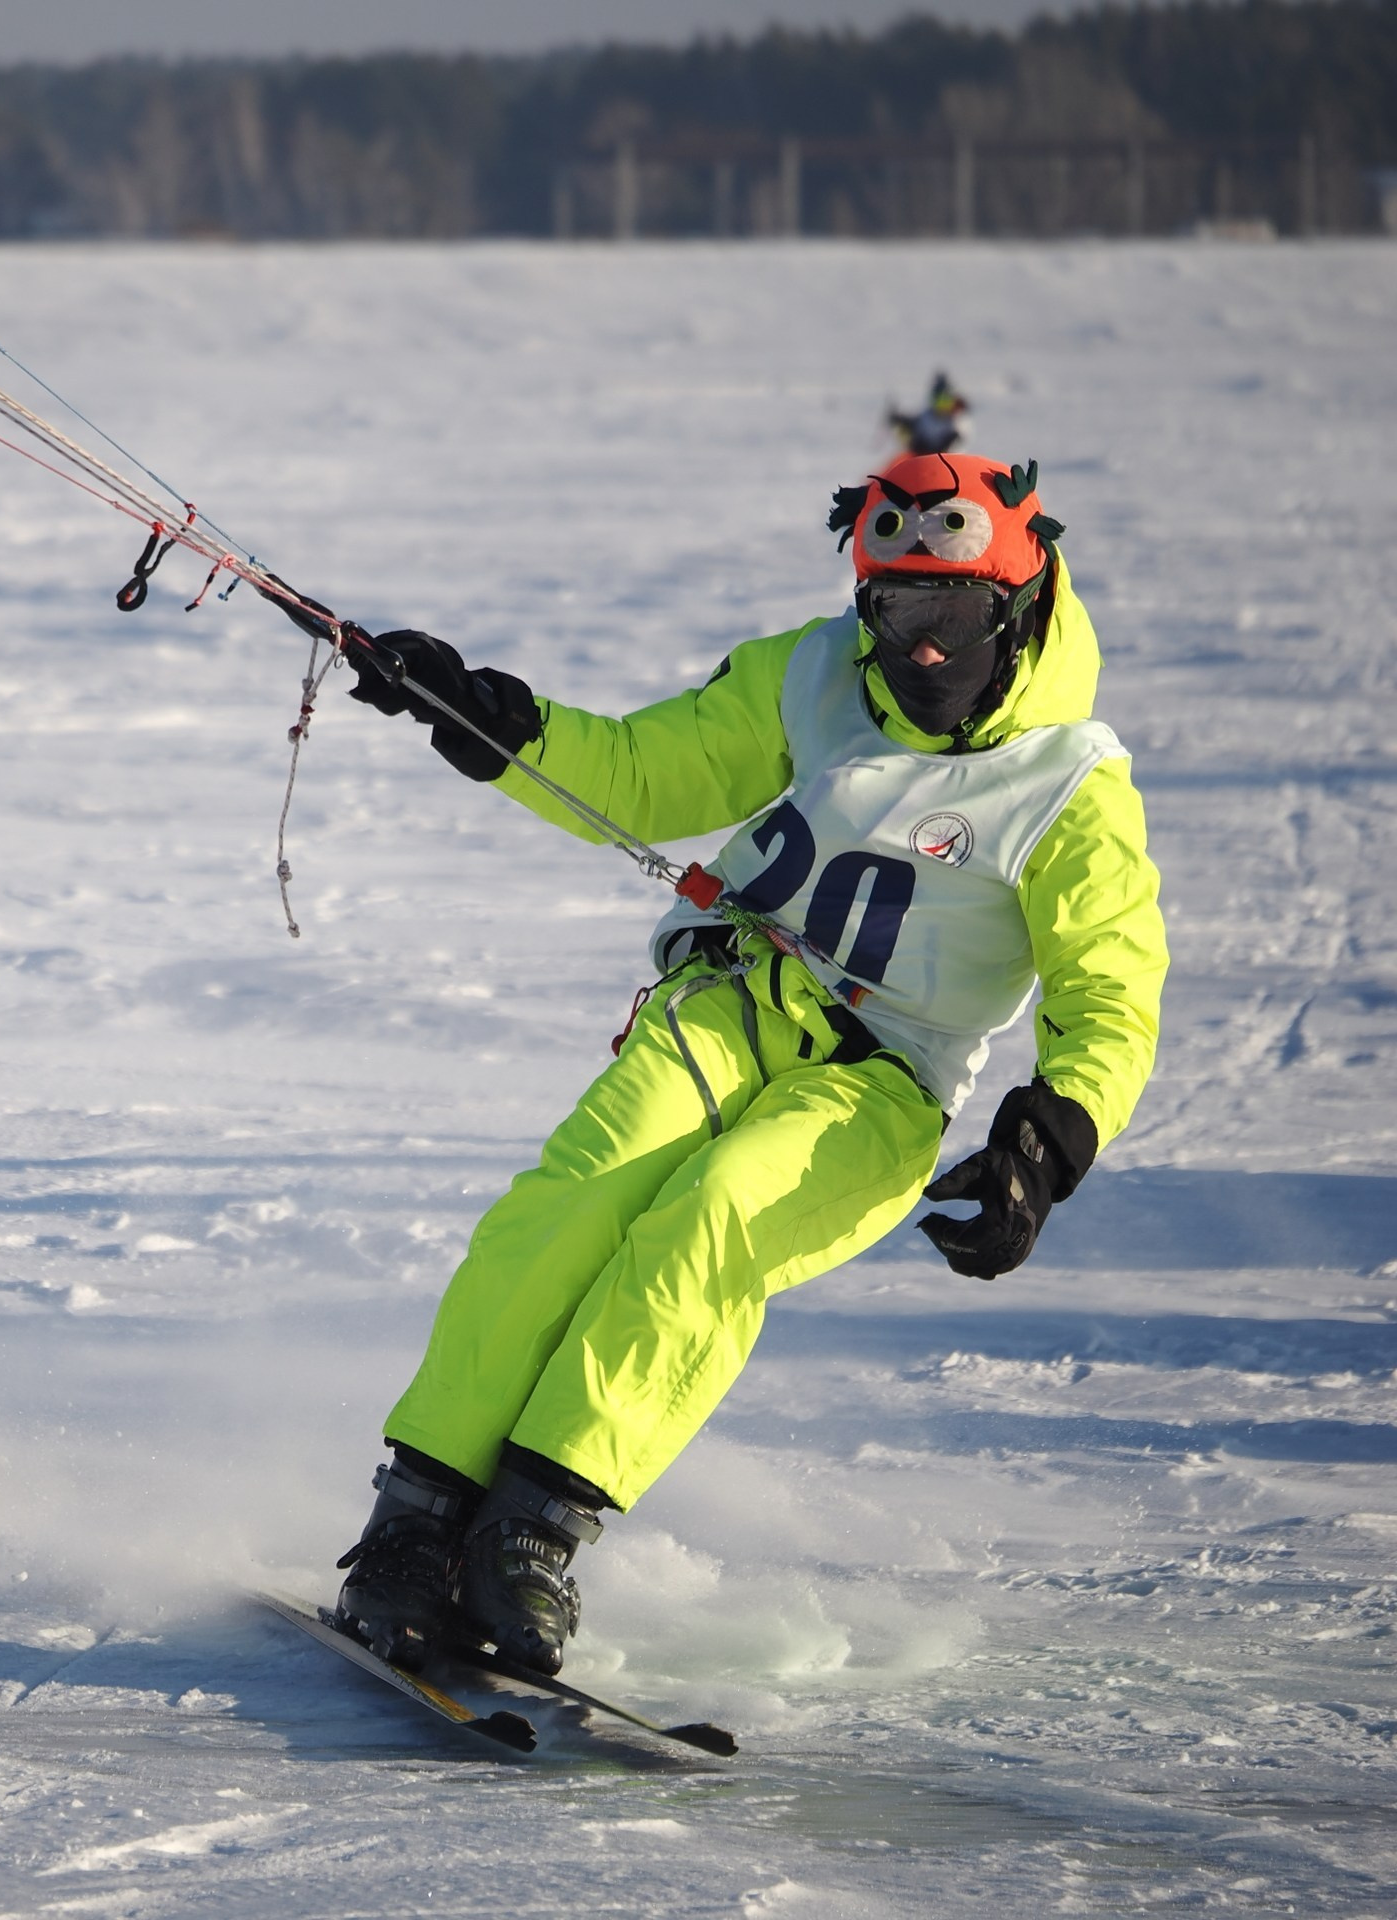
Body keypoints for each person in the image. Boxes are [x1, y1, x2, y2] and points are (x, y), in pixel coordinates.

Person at [308, 453, 1166, 1676]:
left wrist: (1047, 1140)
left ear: (1018, 607)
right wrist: (490, 719)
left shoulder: (1070, 786)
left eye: (956, 611)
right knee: (573, 1205)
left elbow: (1109, 995)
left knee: (712, 1222)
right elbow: (646, 772)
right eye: (895, 611)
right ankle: (415, 1522)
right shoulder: (810, 674)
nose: (924, 647)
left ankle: (529, 1533)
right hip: (728, 1004)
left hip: (883, 1083)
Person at [890, 371, 971, 455]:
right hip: (924, 459)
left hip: (949, 460)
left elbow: (960, 440)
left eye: (945, 401)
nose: (941, 406)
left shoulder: (957, 421)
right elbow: (915, 423)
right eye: (938, 401)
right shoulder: (927, 417)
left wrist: (946, 446)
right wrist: (899, 420)